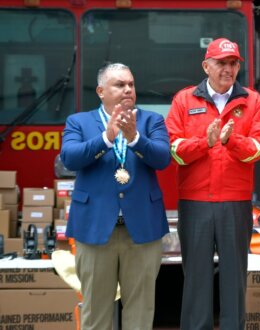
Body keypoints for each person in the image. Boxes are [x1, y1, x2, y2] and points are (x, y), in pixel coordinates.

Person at [165, 37, 260, 329]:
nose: (228, 69)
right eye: (222, 63)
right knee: (196, 278)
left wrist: (231, 140)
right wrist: (205, 143)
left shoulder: (252, 100)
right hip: (195, 202)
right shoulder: (184, 100)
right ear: (206, 66)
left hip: (235, 203)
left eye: (233, 63)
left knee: (234, 278)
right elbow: (173, 149)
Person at [61, 63, 170, 329]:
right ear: (101, 91)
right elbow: (70, 158)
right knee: (96, 313)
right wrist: (107, 138)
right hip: (96, 229)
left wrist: (134, 138)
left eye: (131, 84)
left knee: (141, 313)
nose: (128, 90)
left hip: (142, 231)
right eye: (119, 85)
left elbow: (163, 158)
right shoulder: (79, 122)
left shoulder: (151, 121)